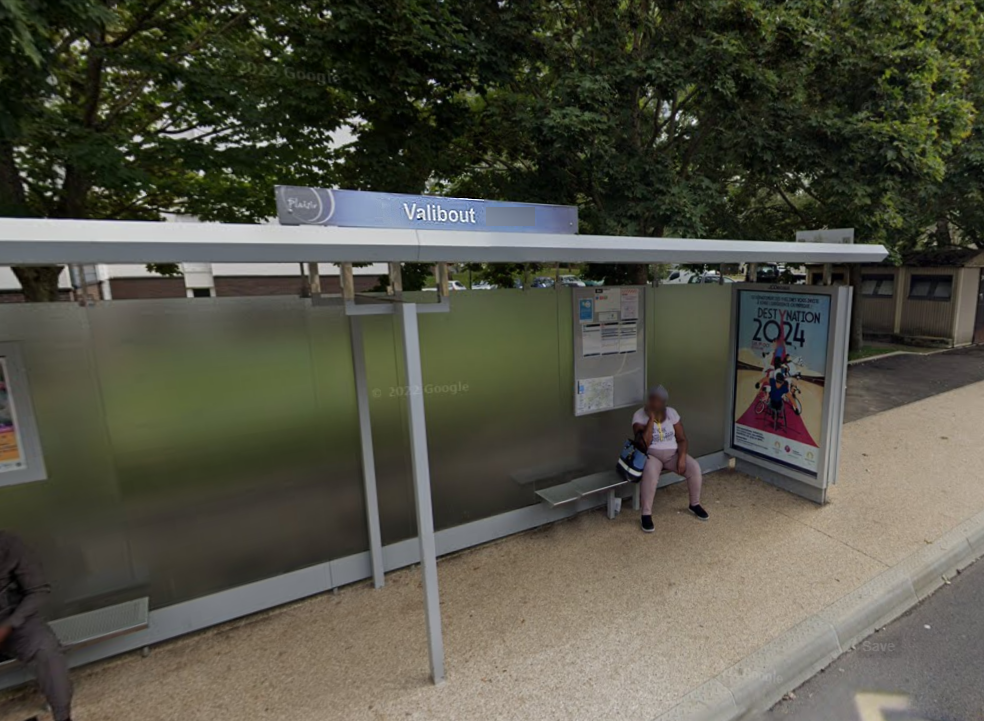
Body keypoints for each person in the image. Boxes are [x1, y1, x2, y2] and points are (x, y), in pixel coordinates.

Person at [0, 531, 73, 721]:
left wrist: (9, 625)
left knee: (46, 649)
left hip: (14, 622)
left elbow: (38, 590)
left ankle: (63, 717)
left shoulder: (9, 543)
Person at [631, 386, 709, 533]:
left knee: (694, 468)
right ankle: (646, 514)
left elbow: (682, 439)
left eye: (658, 401)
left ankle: (694, 504)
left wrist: (681, 457)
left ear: (664, 403)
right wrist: (651, 419)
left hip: (672, 454)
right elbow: (642, 444)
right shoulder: (639, 415)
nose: (654, 404)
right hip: (651, 455)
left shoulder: (672, 413)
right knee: (650, 473)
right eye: (652, 400)